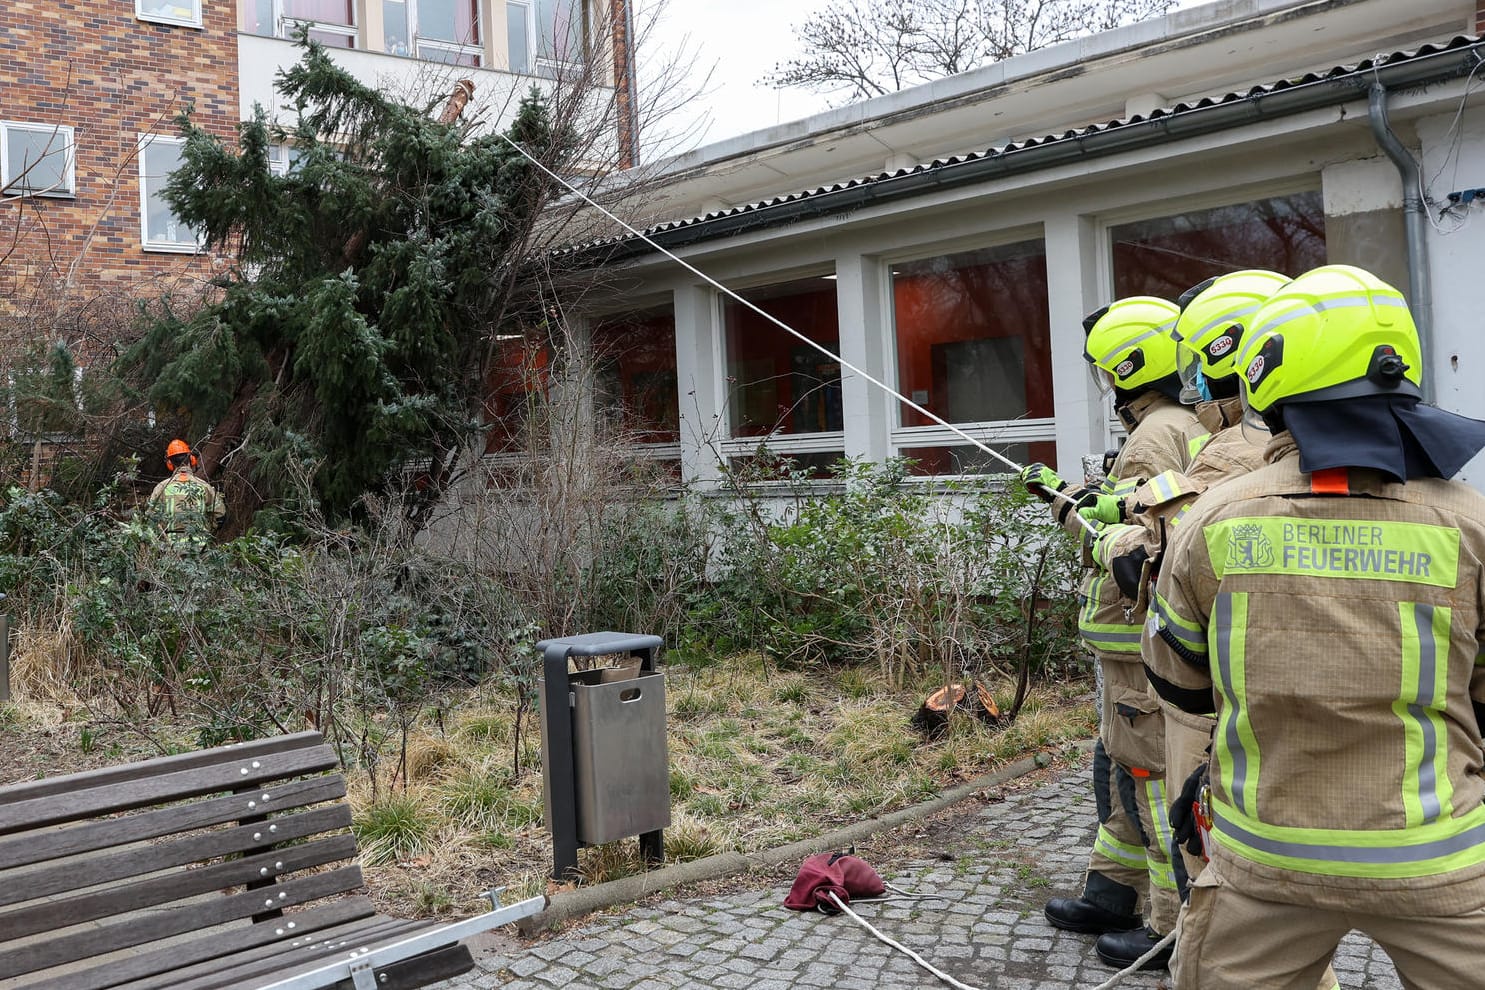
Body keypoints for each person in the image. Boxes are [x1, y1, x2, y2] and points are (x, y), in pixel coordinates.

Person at [1144, 264, 1485, 989]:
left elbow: (1177, 683)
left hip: (1264, 857)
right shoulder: (1469, 521)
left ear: (1270, 376)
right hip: (1438, 859)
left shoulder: (1212, 519)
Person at [1020, 297, 1206, 970]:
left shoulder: (1154, 435)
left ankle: (1168, 924)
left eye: (1106, 369)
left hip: (1136, 640)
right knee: (1117, 767)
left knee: (1146, 775)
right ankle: (1110, 892)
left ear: (1129, 367)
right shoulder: (1173, 425)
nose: (1104, 383)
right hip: (1129, 646)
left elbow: (1132, 544)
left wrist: (1065, 509)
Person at [147, 439, 226, 549]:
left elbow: (151, 518)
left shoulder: (161, 488)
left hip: (171, 548)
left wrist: (161, 542)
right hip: (201, 545)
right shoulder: (204, 486)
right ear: (192, 460)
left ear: (170, 464)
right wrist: (208, 530)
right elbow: (220, 516)